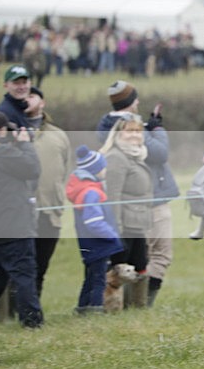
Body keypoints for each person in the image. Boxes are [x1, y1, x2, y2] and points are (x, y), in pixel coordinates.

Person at [98, 80, 179, 307]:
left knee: (142, 259)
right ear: (130, 101)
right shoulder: (125, 130)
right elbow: (161, 153)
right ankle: (135, 305)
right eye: (135, 98)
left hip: (142, 205)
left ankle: (136, 306)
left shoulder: (112, 127)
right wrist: (157, 128)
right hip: (141, 206)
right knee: (155, 256)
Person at [0, 110, 44, 328]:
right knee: (24, 275)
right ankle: (32, 322)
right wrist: (24, 144)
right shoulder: (1, 152)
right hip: (13, 226)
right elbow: (32, 169)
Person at [99, 115, 153, 308]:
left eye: (138, 131)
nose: (134, 135)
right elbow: (113, 196)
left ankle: (137, 308)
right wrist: (116, 228)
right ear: (119, 133)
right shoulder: (116, 157)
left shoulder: (136, 155)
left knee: (140, 265)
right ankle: (112, 308)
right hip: (124, 224)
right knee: (119, 269)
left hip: (137, 222)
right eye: (129, 131)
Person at [65, 145, 124, 314]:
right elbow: (94, 222)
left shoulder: (86, 189)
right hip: (97, 243)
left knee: (90, 277)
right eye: (103, 167)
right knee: (99, 279)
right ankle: (96, 308)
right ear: (96, 170)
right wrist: (112, 235)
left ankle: (82, 307)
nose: (105, 171)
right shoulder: (91, 192)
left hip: (89, 243)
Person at [25, 86, 71, 297]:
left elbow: (64, 171)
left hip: (49, 211)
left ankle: (32, 311)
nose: (27, 99)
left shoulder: (58, 135)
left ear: (42, 102)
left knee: (41, 266)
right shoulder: (9, 130)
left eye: (32, 95)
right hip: (20, 211)